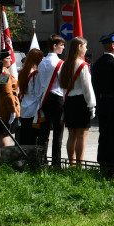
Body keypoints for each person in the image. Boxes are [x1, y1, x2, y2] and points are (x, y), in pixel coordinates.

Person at [26, 35, 66, 167]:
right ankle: (56, 163)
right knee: (58, 133)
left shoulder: (42, 62)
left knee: (44, 132)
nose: (63, 47)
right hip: (57, 98)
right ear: (54, 46)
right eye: (61, 45)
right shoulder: (60, 63)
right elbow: (63, 83)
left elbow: (37, 84)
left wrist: (40, 98)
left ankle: (41, 160)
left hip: (44, 99)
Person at [92, 32, 114, 178]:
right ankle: (111, 169)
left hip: (102, 104)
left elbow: (94, 84)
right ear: (112, 46)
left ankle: (103, 165)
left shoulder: (97, 63)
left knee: (104, 136)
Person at [60, 37, 96, 166]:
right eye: (85, 46)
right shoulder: (82, 65)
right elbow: (87, 88)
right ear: (80, 47)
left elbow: (63, 86)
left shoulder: (65, 64)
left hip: (69, 101)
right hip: (81, 102)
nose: (86, 49)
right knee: (81, 135)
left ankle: (72, 163)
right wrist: (92, 105)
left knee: (71, 134)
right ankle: (80, 165)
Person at [0, 50, 20, 154]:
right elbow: (7, 92)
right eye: (8, 58)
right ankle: (4, 158)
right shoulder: (4, 72)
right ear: (2, 60)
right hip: (5, 107)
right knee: (5, 134)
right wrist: (12, 109)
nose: (11, 60)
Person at [16, 48, 45, 147]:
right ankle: (30, 158)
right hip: (33, 108)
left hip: (24, 106)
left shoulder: (22, 71)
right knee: (31, 136)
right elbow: (38, 93)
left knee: (24, 134)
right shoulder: (35, 73)